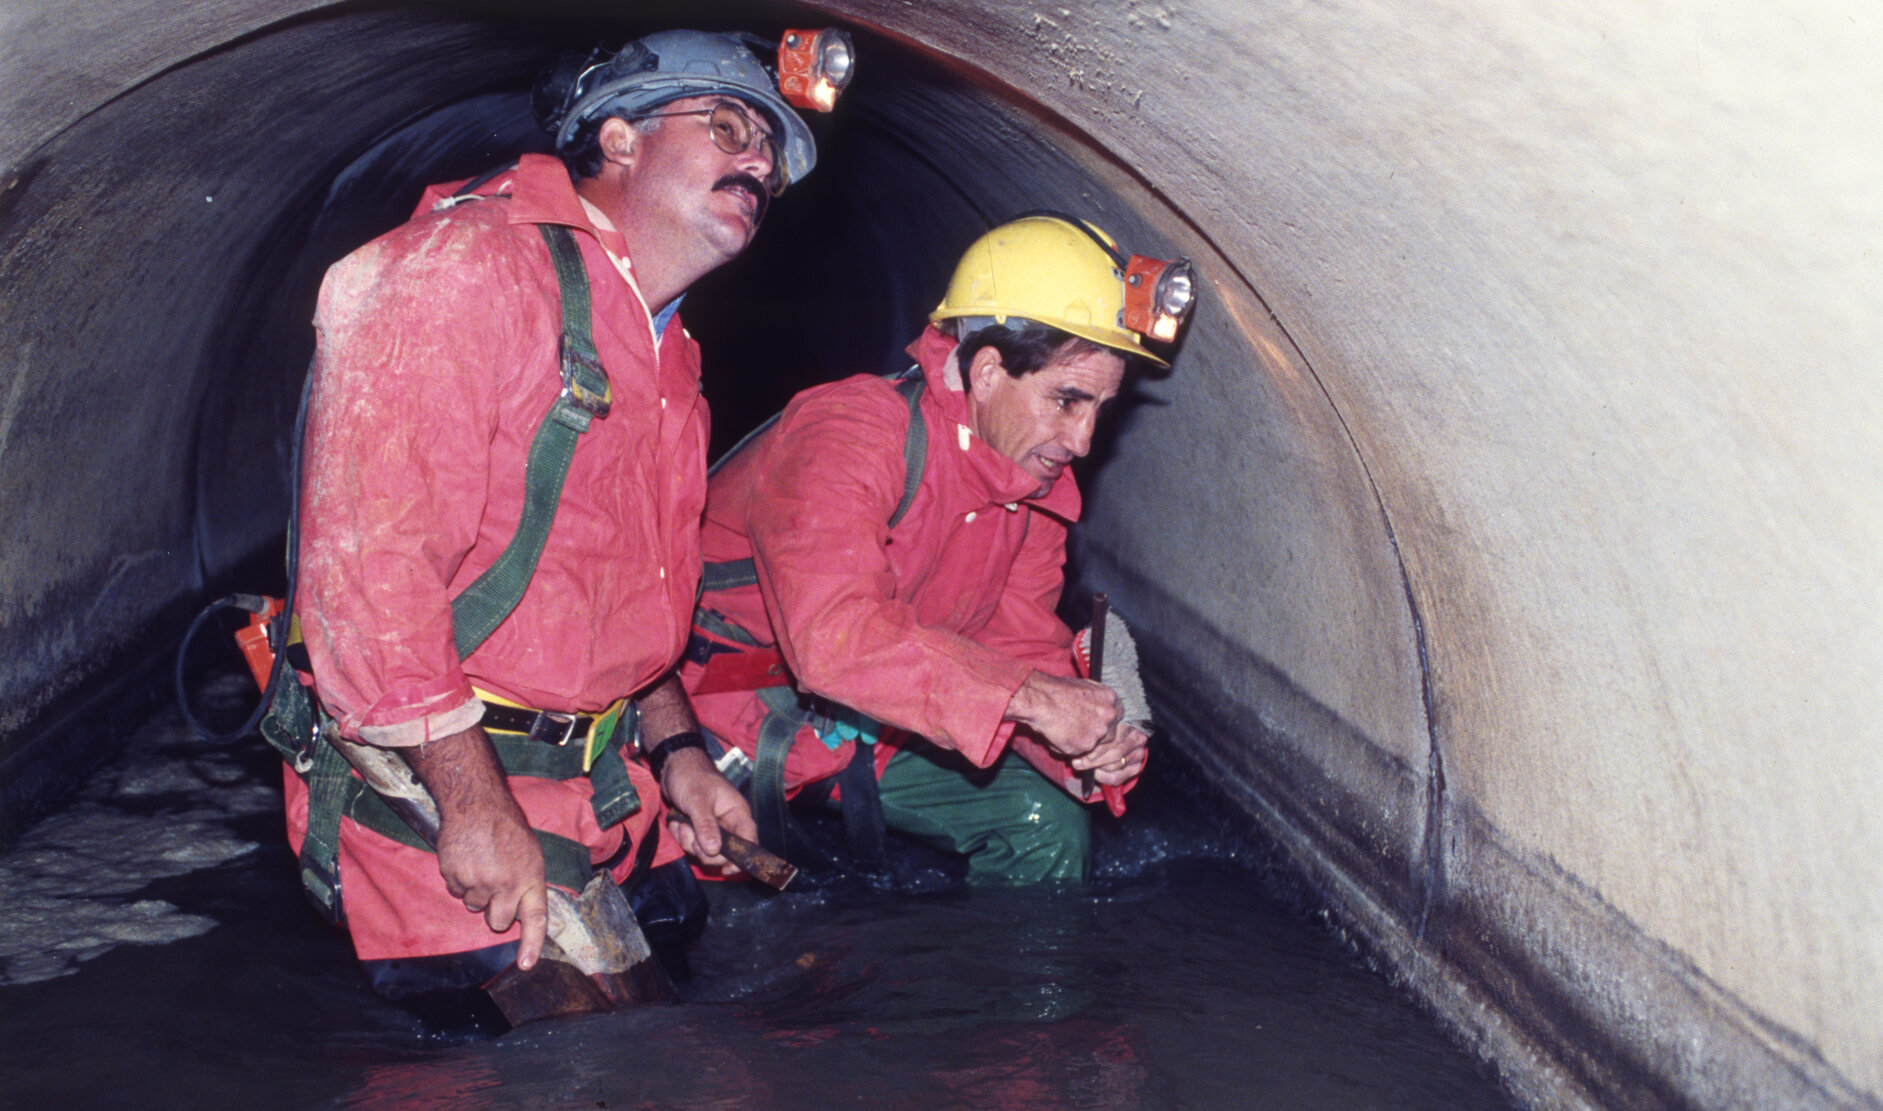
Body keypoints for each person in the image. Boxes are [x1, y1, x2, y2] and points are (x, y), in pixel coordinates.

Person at [279, 29, 829, 1006]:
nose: (758, 162)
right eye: (730, 126)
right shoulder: (465, 270)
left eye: (771, 157)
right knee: (581, 1061)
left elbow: (633, 595)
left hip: (606, 777)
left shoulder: (667, 354)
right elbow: (367, 576)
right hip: (444, 771)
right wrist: (472, 802)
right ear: (618, 138)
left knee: (681, 1025)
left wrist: (682, 752)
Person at [682, 214, 1176, 885]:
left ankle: (1006, 986)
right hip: (710, 724)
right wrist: (1032, 699)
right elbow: (836, 637)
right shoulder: (850, 432)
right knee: (656, 915)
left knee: (1045, 824)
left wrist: (1091, 750)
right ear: (989, 372)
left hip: (868, 735)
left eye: (1099, 409)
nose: (1083, 440)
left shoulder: (1029, 491)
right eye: (1066, 400)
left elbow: (1017, 641)